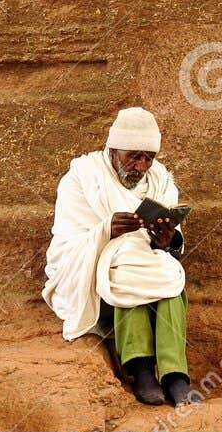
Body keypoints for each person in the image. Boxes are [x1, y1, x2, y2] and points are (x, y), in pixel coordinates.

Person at [42, 106, 197, 407]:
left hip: (146, 260)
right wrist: (106, 231)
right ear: (113, 150)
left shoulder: (161, 179)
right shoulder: (82, 178)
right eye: (133, 156)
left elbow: (173, 246)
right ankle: (140, 371)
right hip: (97, 272)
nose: (141, 166)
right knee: (126, 267)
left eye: (148, 158)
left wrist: (166, 241)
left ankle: (174, 375)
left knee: (168, 273)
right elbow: (67, 243)